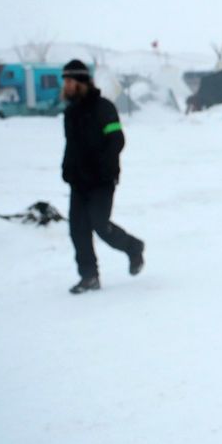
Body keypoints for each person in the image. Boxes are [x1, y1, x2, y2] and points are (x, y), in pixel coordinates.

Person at [61, 59, 144, 294]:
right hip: (78, 181)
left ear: (81, 82)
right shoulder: (71, 112)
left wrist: (101, 168)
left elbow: (116, 140)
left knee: (99, 224)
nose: (66, 86)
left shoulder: (103, 108)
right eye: (65, 81)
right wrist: (67, 169)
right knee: (78, 229)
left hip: (101, 180)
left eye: (69, 81)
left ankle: (133, 247)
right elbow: (72, 146)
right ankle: (89, 276)